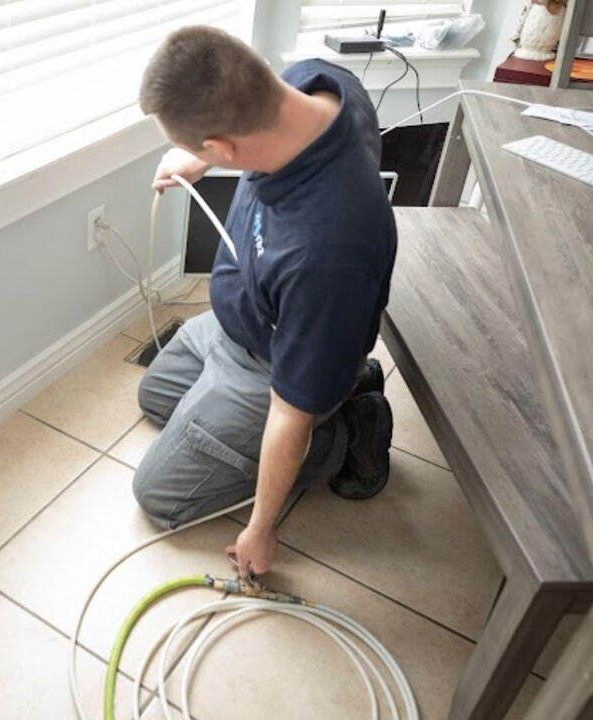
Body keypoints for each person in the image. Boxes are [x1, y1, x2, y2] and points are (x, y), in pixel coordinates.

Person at [133, 26, 396, 578]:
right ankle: (335, 374)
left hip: (273, 367)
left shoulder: (327, 250)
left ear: (225, 146)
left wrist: (260, 527)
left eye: (204, 150)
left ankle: (345, 432)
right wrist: (198, 161)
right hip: (243, 326)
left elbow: (287, 411)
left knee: (157, 493)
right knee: (155, 397)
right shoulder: (315, 86)